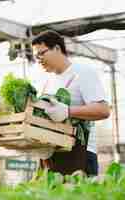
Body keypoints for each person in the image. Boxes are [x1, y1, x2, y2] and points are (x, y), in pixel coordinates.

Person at [31, 30, 111, 175]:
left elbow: (103, 110)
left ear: (57, 48)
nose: (38, 59)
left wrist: (67, 111)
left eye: (41, 53)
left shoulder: (82, 72)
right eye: (36, 56)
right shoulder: (48, 81)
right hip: (52, 155)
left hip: (80, 153)